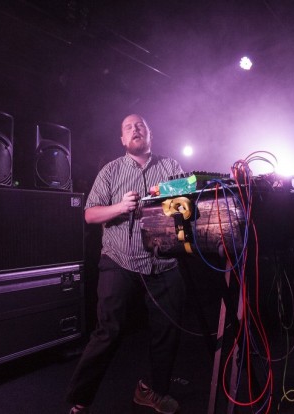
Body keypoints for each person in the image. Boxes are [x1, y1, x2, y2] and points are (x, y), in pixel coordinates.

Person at [66, 114, 186, 414]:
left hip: (163, 263)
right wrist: (120, 207)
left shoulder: (170, 167)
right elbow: (89, 215)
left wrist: (170, 197)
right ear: (122, 139)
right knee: (108, 332)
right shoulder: (111, 170)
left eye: (141, 125)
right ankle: (80, 402)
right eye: (128, 127)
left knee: (167, 330)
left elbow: (189, 201)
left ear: (150, 134)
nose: (135, 129)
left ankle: (152, 392)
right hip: (120, 260)